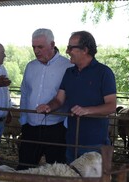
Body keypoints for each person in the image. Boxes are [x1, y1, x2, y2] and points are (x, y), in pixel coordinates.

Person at [36, 31, 117, 164]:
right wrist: (49, 106)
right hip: (71, 141)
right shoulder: (69, 72)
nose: (67, 51)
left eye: (71, 48)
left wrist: (87, 110)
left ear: (85, 50)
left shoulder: (104, 73)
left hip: (94, 143)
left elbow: (111, 105)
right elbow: (59, 99)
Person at [17, 28, 73, 170]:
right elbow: (25, 92)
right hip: (30, 127)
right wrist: (23, 119)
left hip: (56, 128)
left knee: (56, 170)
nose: (36, 51)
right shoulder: (30, 66)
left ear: (52, 44)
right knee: (25, 166)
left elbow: (71, 97)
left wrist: (66, 124)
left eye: (40, 47)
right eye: (34, 47)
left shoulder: (68, 66)